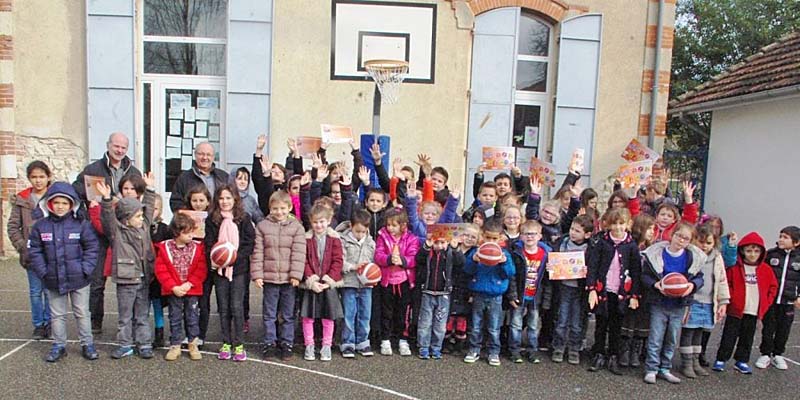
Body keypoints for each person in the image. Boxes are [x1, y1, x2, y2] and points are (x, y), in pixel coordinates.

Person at [73, 132, 142, 335]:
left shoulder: (133, 171)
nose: (119, 150)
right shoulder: (94, 169)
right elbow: (76, 189)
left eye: (123, 147)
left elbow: (141, 194)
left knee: (131, 279)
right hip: (99, 231)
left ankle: (132, 323)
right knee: (96, 281)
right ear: (108, 145)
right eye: (116, 146)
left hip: (125, 232)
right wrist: (96, 199)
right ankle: (95, 322)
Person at [28, 182, 99, 362]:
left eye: (65, 203)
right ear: (49, 204)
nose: (60, 206)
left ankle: (87, 344)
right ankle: (59, 345)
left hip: (79, 279)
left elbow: (92, 247)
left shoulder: (81, 225)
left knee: (82, 312)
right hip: (52, 278)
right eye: (56, 202)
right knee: (57, 314)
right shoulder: (40, 226)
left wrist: (86, 269)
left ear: (72, 204)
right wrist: (43, 272)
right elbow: (34, 251)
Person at [98, 173, 157, 359]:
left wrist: (150, 189)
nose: (141, 218)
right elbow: (107, 219)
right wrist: (106, 200)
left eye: (141, 215)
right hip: (126, 280)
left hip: (144, 278)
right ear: (126, 218)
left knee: (142, 315)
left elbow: (148, 210)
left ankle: (144, 344)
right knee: (124, 316)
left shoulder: (144, 227)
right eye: (137, 216)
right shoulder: (117, 232)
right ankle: (125, 344)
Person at [641, 222, 705, 384]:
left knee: (671, 339)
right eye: (678, 236)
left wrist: (692, 285)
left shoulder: (691, 258)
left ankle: (665, 368)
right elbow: (645, 276)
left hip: (678, 305)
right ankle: (651, 368)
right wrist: (655, 285)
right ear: (672, 234)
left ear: (690, 241)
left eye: (686, 238)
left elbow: (699, 278)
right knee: (655, 338)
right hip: (659, 303)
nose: (681, 240)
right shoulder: (657, 254)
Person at [251, 190, 306, 361]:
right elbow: (258, 252)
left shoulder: (297, 227)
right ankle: (269, 343)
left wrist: (296, 275)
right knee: (269, 314)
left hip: (289, 280)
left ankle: (286, 343)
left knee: (288, 315)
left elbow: (299, 253)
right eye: (275, 208)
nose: (279, 212)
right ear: (270, 209)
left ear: (289, 208)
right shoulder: (262, 226)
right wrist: (257, 275)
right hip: (270, 279)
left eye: (283, 208)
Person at [713, 232, 778, 374]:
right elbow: (727, 283)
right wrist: (732, 300)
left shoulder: (766, 270)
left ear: (761, 252)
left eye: (756, 251)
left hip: (753, 311)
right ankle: (721, 359)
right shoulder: (735, 268)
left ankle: (741, 360)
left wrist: (766, 303)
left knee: (747, 338)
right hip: (735, 310)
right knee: (728, 336)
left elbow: (773, 287)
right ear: (742, 251)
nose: (752, 254)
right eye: (749, 251)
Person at [586, 209, 641, 375]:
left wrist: (634, 295)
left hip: (621, 293)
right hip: (604, 291)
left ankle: (613, 356)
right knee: (601, 324)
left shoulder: (631, 246)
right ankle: (599, 353)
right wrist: (592, 290)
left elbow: (636, 272)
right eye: (614, 223)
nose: (618, 227)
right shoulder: (602, 243)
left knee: (616, 326)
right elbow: (593, 267)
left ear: (628, 224)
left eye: (621, 223)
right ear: (608, 225)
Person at [205, 185, 255, 362]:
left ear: (235, 199)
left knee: (236, 306)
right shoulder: (212, 220)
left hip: (238, 269)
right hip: (219, 270)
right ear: (217, 201)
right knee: (224, 307)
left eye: (228, 198)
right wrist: (219, 257)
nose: (225, 201)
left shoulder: (244, 219)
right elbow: (209, 243)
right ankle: (226, 342)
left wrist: (233, 257)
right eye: (221, 198)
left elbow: (250, 243)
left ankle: (239, 344)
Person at [678, 224, 730, 378]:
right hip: (692, 301)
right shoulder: (689, 254)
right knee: (688, 331)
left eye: (708, 243)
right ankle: (686, 363)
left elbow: (721, 280)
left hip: (708, 302)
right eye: (701, 242)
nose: (704, 246)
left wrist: (723, 301)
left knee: (700, 332)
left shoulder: (717, 257)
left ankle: (695, 361)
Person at [8, 161, 53, 339]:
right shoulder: (23, 200)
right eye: (34, 177)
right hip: (31, 254)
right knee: (35, 291)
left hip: (50, 252)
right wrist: (22, 246)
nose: (38, 181)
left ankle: (51, 322)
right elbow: (13, 227)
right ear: (29, 178)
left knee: (50, 291)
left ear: (48, 177)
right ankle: (39, 324)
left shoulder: (54, 197)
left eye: (41, 176)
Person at [154, 213, 207, 361]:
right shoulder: (165, 248)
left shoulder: (197, 248)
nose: (191, 235)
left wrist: (189, 283)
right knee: (174, 317)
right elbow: (161, 269)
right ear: (177, 232)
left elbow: (201, 268)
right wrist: (173, 287)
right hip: (174, 291)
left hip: (191, 289)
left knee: (192, 317)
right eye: (187, 232)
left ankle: (193, 344)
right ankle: (175, 345)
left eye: (192, 231)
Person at [463, 219, 516, 366]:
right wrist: (473, 261)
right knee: (475, 325)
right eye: (488, 237)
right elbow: (467, 270)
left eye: (494, 238)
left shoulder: (504, 254)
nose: (491, 241)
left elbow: (510, 273)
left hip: (496, 296)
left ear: (501, 238)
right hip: (478, 294)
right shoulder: (476, 252)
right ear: (482, 236)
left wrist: (504, 263)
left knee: (493, 327)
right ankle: (474, 349)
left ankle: (493, 352)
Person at [301, 205, 345, 362]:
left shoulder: (335, 239)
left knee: (328, 317)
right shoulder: (306, 239)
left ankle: (326, 345)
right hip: (311, 284)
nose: (318, 225)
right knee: (308, 317)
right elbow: (304, 261)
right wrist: (311, 279)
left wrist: (328, 280)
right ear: (310, 223)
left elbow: (338, 261)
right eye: (315, 222)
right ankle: (309, 345)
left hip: (327, 284)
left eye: (322, 222)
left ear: (329, 221)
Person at [374, 208, 420, 357]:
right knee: (386, 312)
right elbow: (378, 255)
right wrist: (388, 259)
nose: (390, 228)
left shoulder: (411, 238)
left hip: (404, 281)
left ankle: (403, 339)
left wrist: (403, 261)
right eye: (388, 225)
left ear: (403, 225)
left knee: (403, 312)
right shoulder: (382, 236)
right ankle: (385, 340)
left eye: (394, 225)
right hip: (387, 281)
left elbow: (414, 257)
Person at [756, 226, 800, 370]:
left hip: (788, 302)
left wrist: (798, 296)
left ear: (796, 242)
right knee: (768, 327)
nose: (781, 239)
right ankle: (765, 354)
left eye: (785, 237)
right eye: (780, 236)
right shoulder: (771, 254)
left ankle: (778, 354)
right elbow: (762, 273)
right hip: (772, 300)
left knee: (784, 329)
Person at [551, 215, 594, 365]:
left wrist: (587, 271)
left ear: (587, 234)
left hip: (580, 290)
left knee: (576, 322)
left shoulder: (590, 249)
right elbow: (554, 259)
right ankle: (558, 347)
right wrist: (552, 267)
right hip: (563, 287)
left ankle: (574, 349)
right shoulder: (562, 243)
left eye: (577, 231)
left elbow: (593, 268)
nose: (573, 233)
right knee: (562, 319)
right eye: (572, 229)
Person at [506, 220, 550, 364]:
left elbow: (547, 281)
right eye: (526, 234)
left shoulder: (546, 255)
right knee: (516, 324)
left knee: (533, 325)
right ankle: (514, 350)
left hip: (535, 296)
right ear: (521, 236)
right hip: (520, 295)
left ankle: (532, 350)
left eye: (533, 234)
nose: (530, 237)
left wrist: (546, 300)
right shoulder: (517, 253)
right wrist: (512, 295)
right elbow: (512, 277)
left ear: (540, 236)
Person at [416, 232, 465, 360]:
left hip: (444, 294)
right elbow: (418, 259)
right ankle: (423, 347)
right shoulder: (428, 253)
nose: (439, 246)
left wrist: (455, 249)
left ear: (447, 242)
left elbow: (460, 263)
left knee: (440, 324)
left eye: (442, 242)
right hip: (428, 292)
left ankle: (436, 347)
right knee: (425, 323)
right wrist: (427, 246)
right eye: (436, 242)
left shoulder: (449, 254)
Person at [337, 210, 377, 358]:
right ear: (351, 226)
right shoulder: (343, 241)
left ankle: (363, 342)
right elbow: (340, 261)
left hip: (366, 285)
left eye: (363, 231)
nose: (360, 234)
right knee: (349, 313)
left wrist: (372, 272)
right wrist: (353, 267)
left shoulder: (371, 242)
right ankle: (348, 342)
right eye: (357, 231)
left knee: (365, 314)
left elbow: (373, 262)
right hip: (349, 282)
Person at [619, 214, 656, 368]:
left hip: (646, 291)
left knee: (642, 321)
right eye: (649, 228)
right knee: (629, 319)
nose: (652, 232)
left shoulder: (652, 249)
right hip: (630, 287)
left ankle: (636, 351)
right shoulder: (630, 245)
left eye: (654, 229)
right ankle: (624, 351)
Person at [169, 142, 229, 212]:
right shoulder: (184, 178)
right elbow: (176, 202)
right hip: (193, 220)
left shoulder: (223, 176)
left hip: (219, 220)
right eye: (201, 154)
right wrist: (189, 216)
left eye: (208, 155)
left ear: (213, 157)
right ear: (195, 155)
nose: (205, 157)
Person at [149, 194, 171, 348]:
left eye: (155, 208)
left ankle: (159, 332)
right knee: (142, 304)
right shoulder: (139, 226)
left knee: (158, 304)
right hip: (143, 272)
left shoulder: (165, 229)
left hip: (158, 274)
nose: (152, 212)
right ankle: (140, 333)